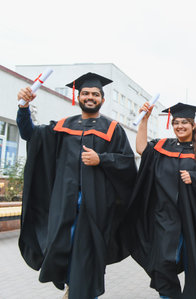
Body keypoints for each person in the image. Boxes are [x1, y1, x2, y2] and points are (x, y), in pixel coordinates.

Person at [16, 72, 137, 299]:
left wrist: (102, 159)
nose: (90, 97)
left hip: (96, 207)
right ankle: (74, 289)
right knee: (64, 248)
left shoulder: (113, 129)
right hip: (64, 205)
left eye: (95, 94)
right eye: (86, 93)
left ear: (102, 99)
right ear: (77, 96)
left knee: (86, 254)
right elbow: (30, 135)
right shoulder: (62, 127)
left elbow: (127, 164)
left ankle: (78, 292)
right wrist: (23, 108)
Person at [126, 102, 196, 299]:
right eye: (176, 122)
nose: (180, 126)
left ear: (193, 125)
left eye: (185, 122)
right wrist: (144, 120)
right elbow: (141, 150)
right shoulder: (163, 146)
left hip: (194, 219)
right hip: (165, 218)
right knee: (163, 265)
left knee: (194, 267)